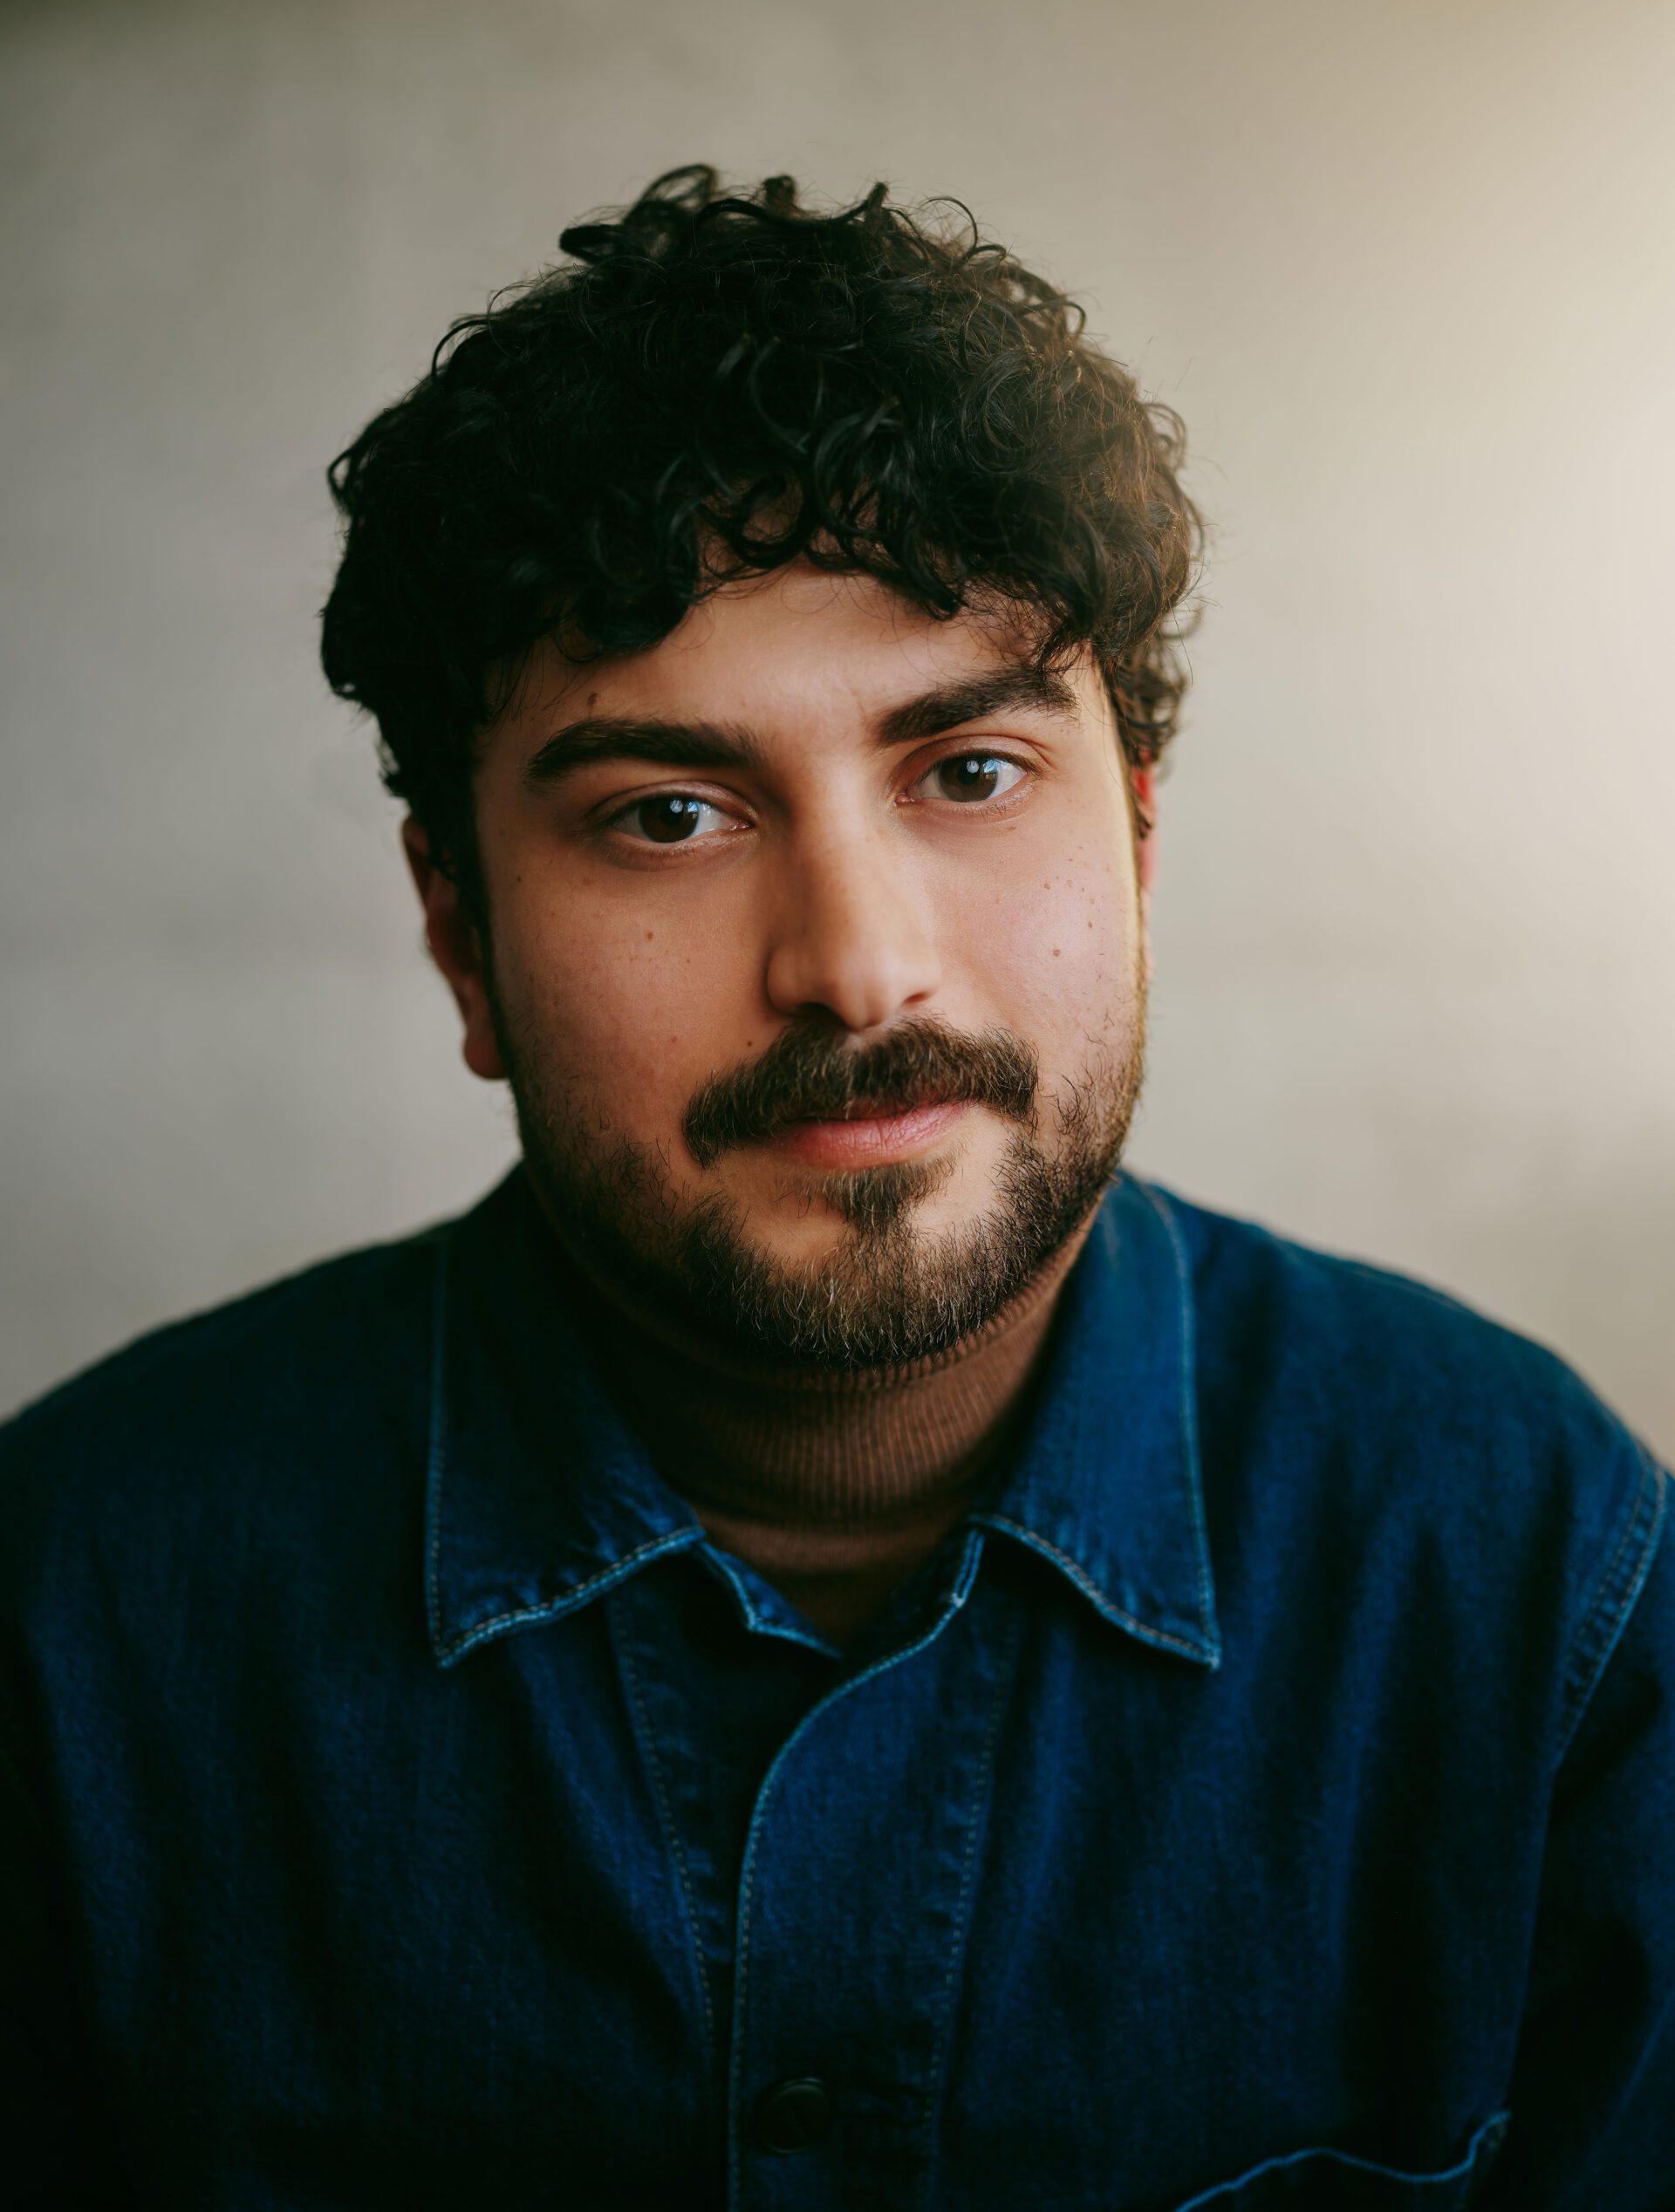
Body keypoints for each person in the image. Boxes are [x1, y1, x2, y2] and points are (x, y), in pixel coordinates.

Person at [2, 166, 1671, 2211]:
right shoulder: (73, 1624)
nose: (858, 962)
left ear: (1135, 853)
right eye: (672, 813)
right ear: (462, 939)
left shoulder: (1538, 1579)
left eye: (968, 772)